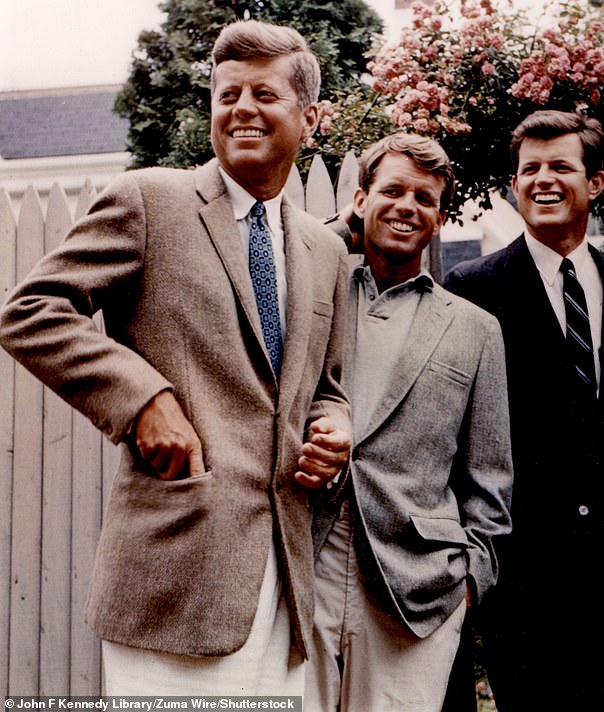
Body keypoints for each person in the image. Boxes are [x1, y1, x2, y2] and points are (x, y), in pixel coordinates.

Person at [0, 20, 352, 696]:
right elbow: (30, 310)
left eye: (264, 95)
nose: (242, 109)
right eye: (228, 95)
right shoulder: (149, 202)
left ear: (309, 118)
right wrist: (142, 400)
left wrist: (334, 431)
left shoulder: (325, 250)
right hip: (174, 574)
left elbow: (327, 386)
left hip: (285, 580)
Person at [306, 133, 513, 711]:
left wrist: (473, 577)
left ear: (439, 218)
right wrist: (338, 230)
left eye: (423, 198)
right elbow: (282, 260)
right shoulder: (317, 291)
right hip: (309, 556)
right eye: (391, 191)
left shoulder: (474, 327)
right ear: (360, 200)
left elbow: (489, 473)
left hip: (417, 581)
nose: (406, 207)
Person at [443, 109, 604, 712]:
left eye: (561, 166)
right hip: (526, 582)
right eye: (530, 169)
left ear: (596, 182)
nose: (543, 180)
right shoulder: (471, 291)